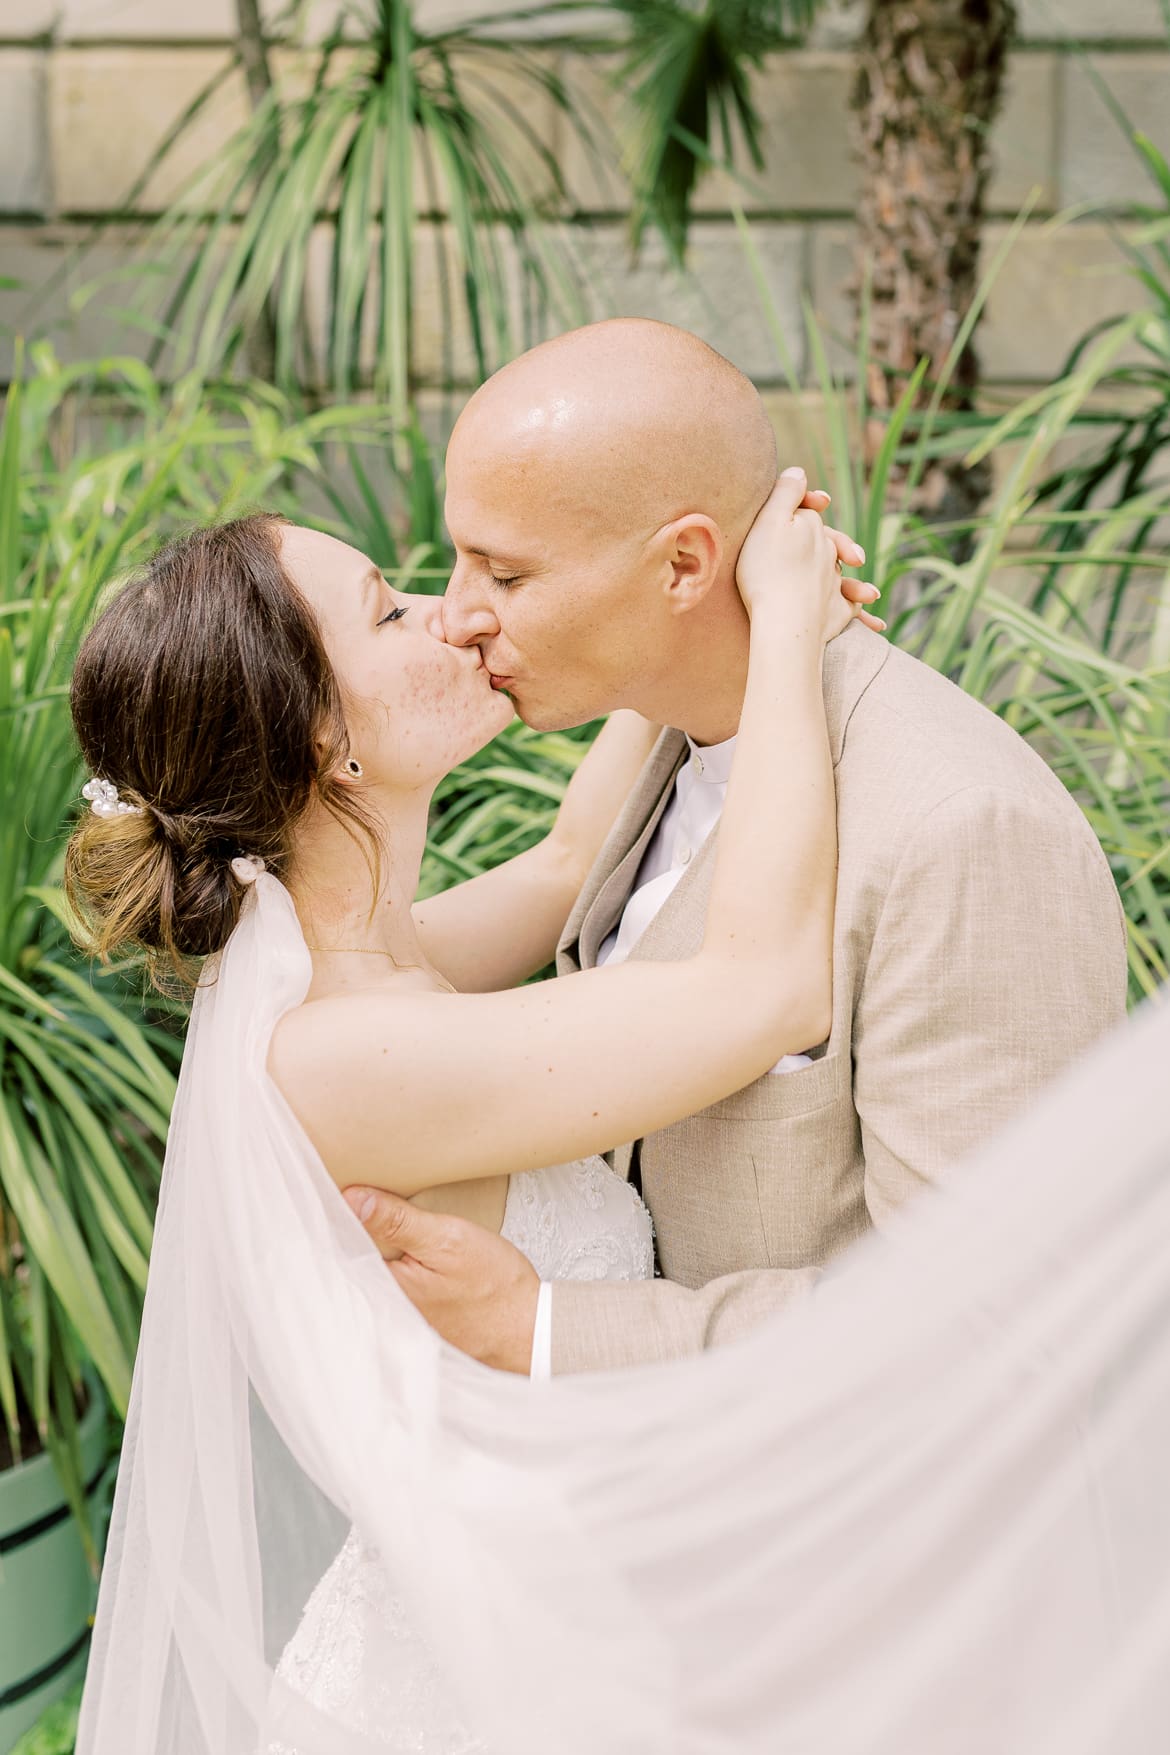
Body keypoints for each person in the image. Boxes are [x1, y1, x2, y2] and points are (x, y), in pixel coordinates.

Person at [69, 470, 870, 1752]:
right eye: (390, 614)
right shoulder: (343, 1058)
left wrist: (688, 620)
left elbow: (566, 864)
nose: (455, 616)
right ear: (322, 737)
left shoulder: (375, 968)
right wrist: (784, 634)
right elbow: (765, 988)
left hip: (561, 1632)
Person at [347, 318, 1129, 1377]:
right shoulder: (662, 739)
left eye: (506, 573)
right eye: (457, 559)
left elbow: (990, 1325)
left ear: (683, 564)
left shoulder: (961, 828)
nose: (458, 613)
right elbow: (573, 868)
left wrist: (542, 1329)